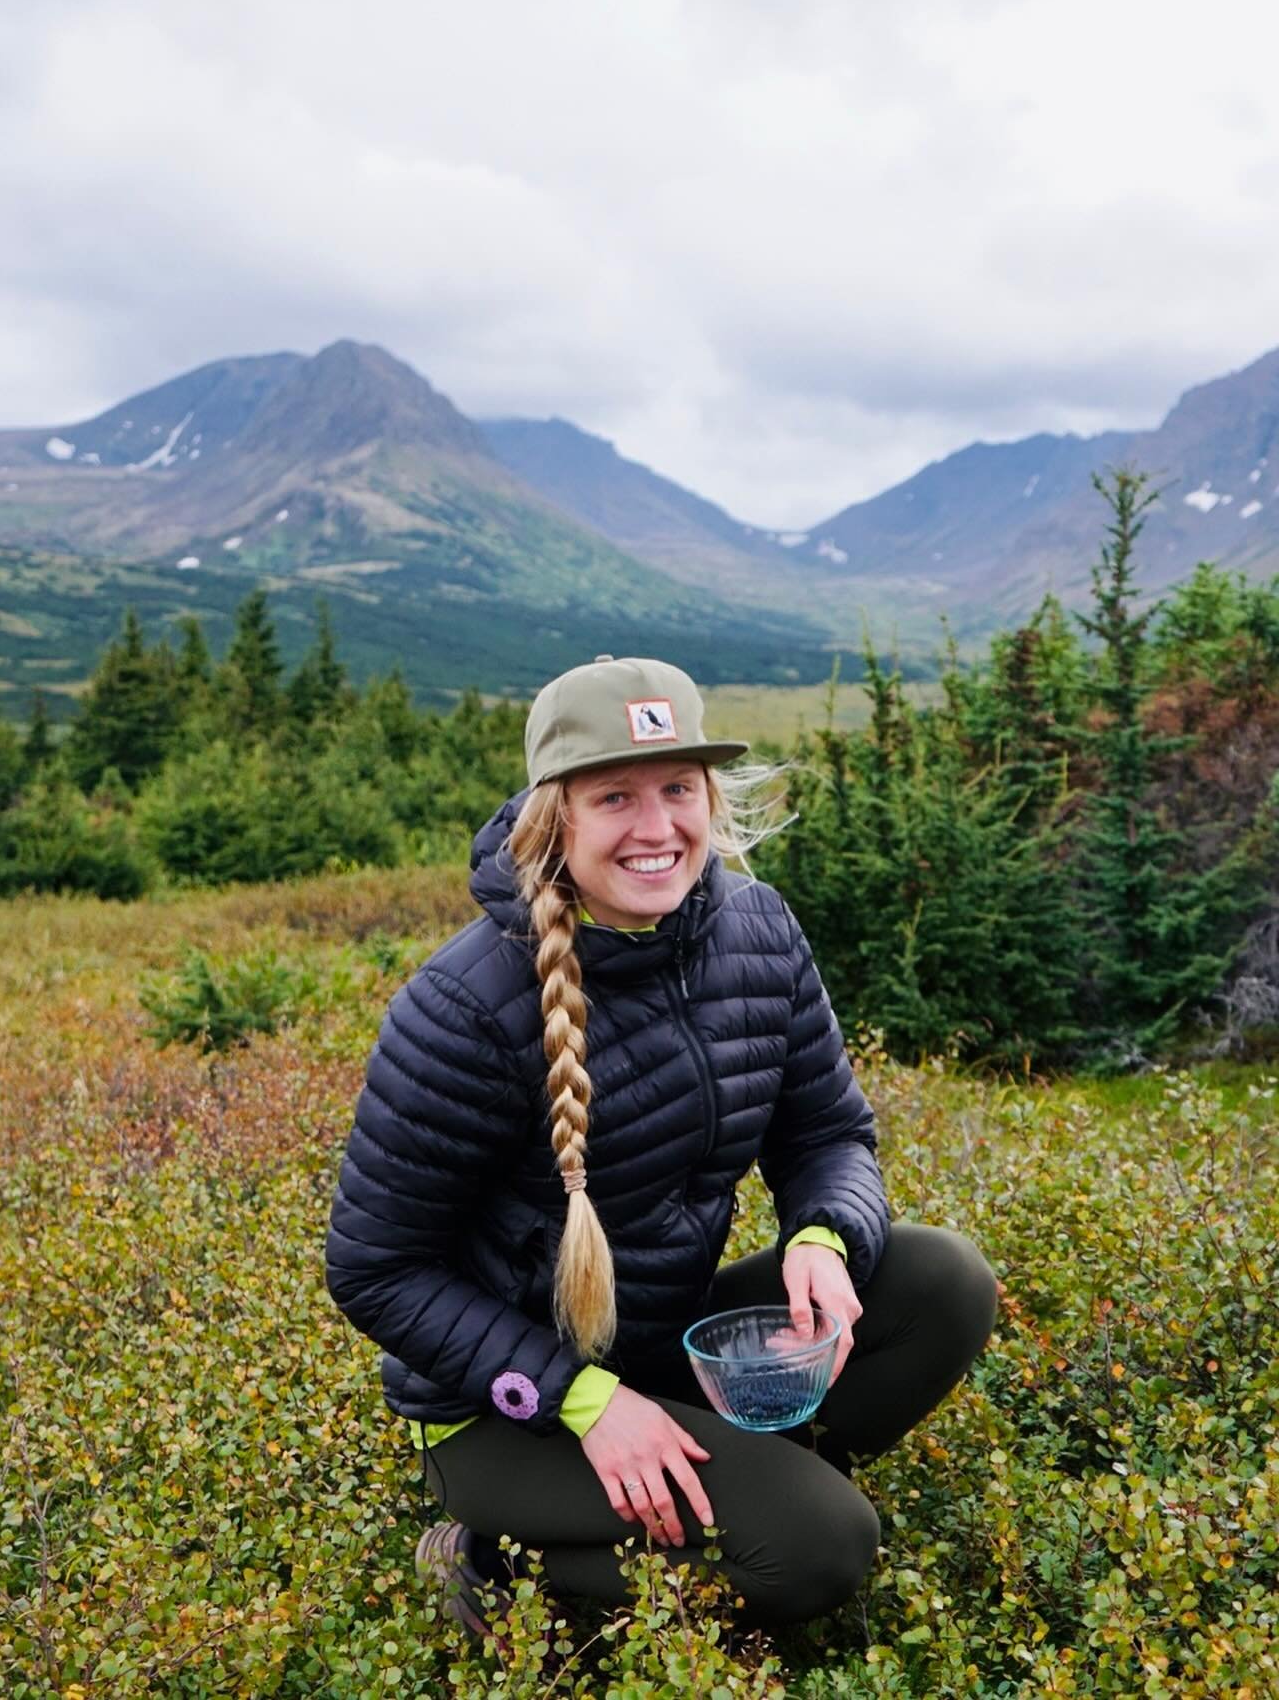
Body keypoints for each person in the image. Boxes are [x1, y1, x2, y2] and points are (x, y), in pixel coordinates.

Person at [325, 655, 997, 1637]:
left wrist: (823, 1238)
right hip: (502, 1411)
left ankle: (741, 1495)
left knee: (942, 1281)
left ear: (710, 796)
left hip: (662, 1342)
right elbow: (377, 1270)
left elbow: (829, 1131)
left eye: (679, 788)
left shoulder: (756, 930)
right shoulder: (466, 1008)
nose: (658, 828)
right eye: (615, 797)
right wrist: (584, 1401)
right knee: (823, 1550)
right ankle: (490, 1565)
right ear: (555, 816)